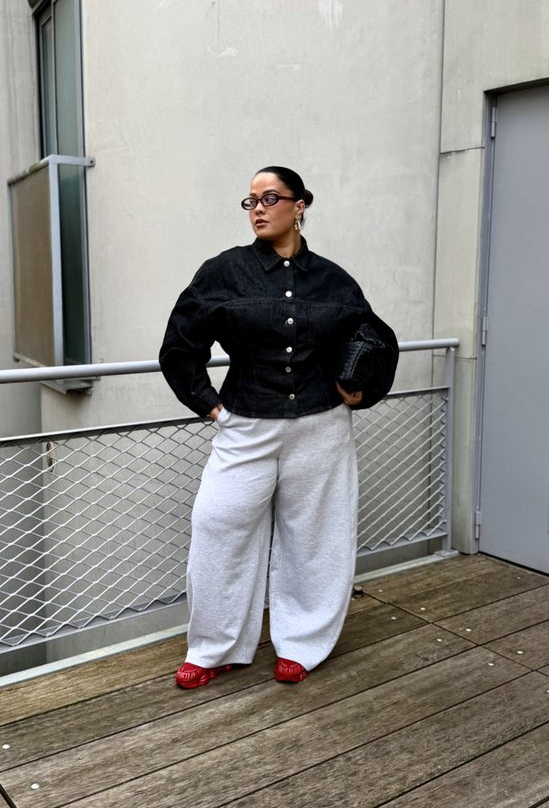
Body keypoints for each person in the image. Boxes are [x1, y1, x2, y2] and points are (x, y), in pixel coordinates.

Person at [159, 166, 396, 688]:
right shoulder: (222, 273)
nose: (258, 209)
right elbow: (179, 347)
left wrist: (361, 389)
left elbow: (372, 337)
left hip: (321, 426)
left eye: (270, 198)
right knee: (217, 527)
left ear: (300, 205)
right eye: (250, 201)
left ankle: (303, 642)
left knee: (316, 537)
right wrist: (212, 408)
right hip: (246, 423)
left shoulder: (334, 279)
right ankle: (214, 647)